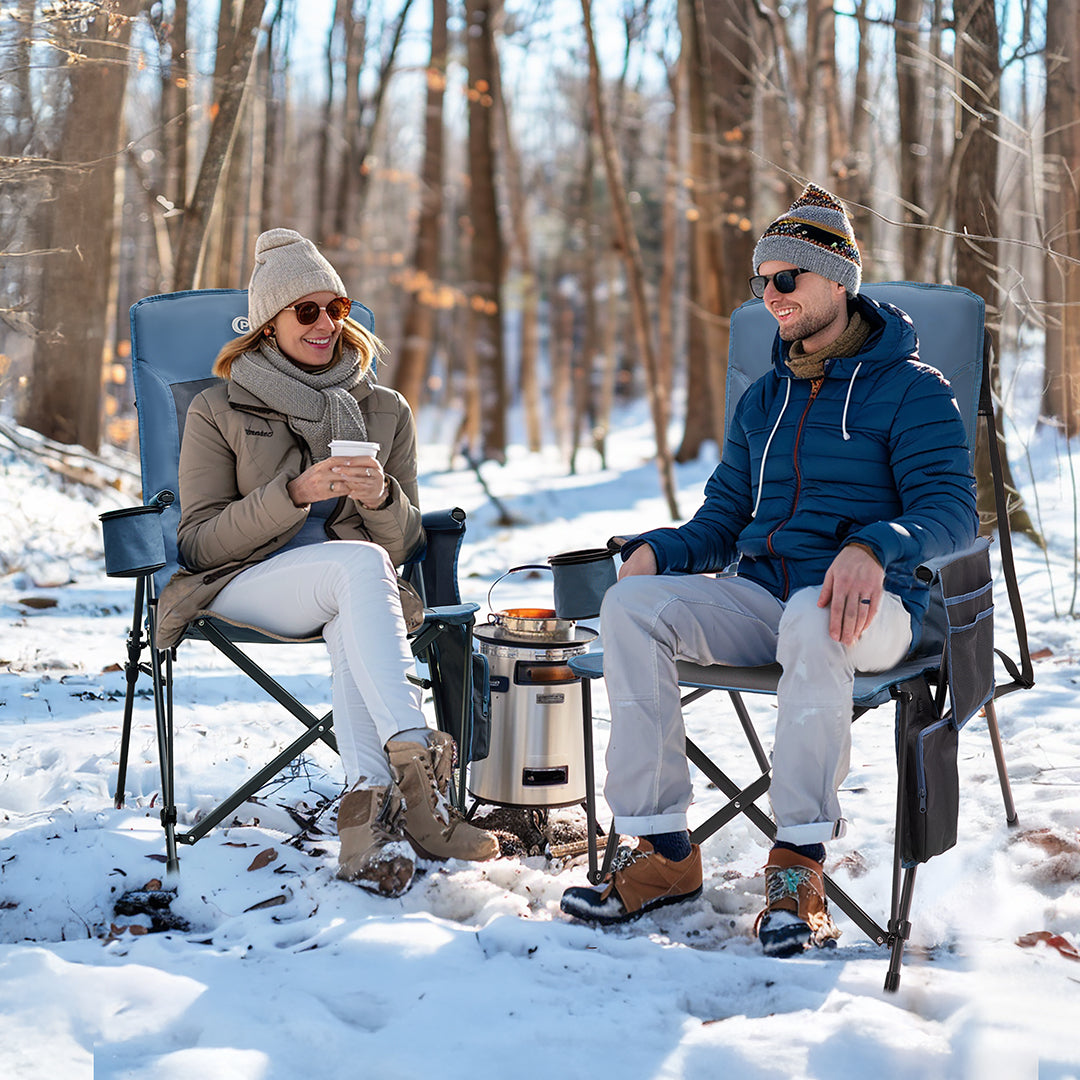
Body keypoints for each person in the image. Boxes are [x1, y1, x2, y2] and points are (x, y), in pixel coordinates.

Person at [560, 183, 978, 956]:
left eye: (788, 278)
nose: (771, 296)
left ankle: (798, 867)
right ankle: (662, 853)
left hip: (872, 609)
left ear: (839, 282)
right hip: (765, 595)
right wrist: (660, 552)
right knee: (632, 609)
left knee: (812, 616)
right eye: (763, 281)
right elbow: (723, 522)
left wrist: (875, 544)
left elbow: (954, 515)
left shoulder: (916, 392)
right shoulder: (765, 399)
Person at [156, 228, 497, 897]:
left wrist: (382, 497)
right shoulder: (217, 408)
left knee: (362, 575)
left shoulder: (384, 410)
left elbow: (402, 547)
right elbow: (198, 543)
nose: (324, 325)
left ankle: (365, 825)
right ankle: (422, 789)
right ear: (267, 325)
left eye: (334, 309)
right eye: (305, 312)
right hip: (242, 582)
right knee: (359, 570)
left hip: (353, 590)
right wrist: (294, 494)